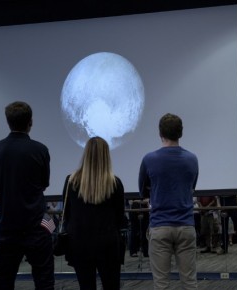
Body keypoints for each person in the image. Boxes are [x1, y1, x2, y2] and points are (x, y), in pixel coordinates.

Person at [0, 101, 54, 290]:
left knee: (4, 281)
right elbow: (43, 185)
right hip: (37, 227)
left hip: (8, 228)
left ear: (8, 122)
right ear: (30, 122)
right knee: (44, 282)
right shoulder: (40, 150)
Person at [138, 113, 199, 290]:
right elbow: (191, 187)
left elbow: (143, 191)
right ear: (180, 133)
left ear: (160, 133)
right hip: (186, 225)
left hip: (160, 226)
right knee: (190, 282)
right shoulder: (192, 159)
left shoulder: (149, 159)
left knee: (161, 284)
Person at [62, 136, 124, 290]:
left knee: (86, 286)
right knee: (111, 286)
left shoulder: (71, 181)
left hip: (79, 243)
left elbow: (67, 215)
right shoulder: (115, 183)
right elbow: (120, 218)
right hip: (108, 243)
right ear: (106, 155)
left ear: (86, 154)